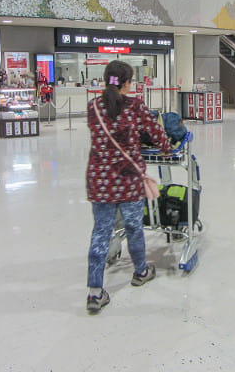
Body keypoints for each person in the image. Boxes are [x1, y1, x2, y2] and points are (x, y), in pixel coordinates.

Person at [85, 60, 171, 312]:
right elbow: (156, 134)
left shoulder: (94, 108)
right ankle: (141, 271)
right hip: (129, 180)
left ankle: (94, 292)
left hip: (99, 182)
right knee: (134, 228)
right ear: (126, 83)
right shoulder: (135, 106)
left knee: (101, 232)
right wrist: (166, 149)